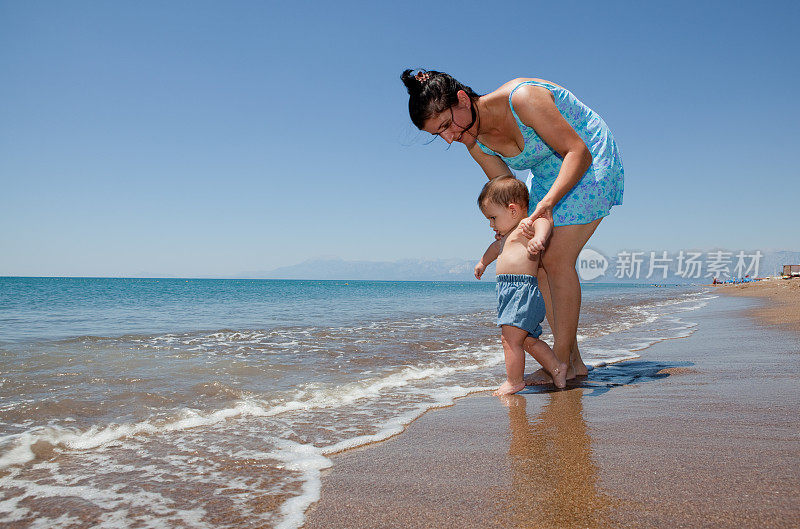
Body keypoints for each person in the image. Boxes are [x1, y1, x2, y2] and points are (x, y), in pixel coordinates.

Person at [401, 69, 624, 383]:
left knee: (556, 257)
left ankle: (558, 362)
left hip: (587, 156)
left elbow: (577, 151)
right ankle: (572, 361)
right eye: (438, 135)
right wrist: (506, 227)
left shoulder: (523, 99)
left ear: (462, 100)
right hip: (547, 175)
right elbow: (508, 192)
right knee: (538, 262)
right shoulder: (474, 141)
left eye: (446, 126)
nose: (449, 137)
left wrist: (545, 205)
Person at [474, 176, 567, 395]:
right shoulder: (505, 237)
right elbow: (493, 249)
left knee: (509, 340)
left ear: (513, 210)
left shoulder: (526, 226)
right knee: (528, 341)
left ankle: (514, 381)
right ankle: (557, 367)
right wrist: (482, 263)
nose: (491, 224)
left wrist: (539, 238)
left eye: (493, 217)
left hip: (521, 290)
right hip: (510, 292)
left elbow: (543, 222)